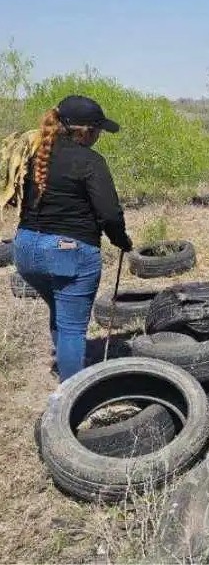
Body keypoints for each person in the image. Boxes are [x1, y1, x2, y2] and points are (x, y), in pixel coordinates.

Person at [4, 95, 132, 383]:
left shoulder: (34, 153)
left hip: (25, 249)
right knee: (73, 327)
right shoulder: (90, 161)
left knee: (60, 311)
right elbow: (109, 213)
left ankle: (68, 363)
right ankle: (72, 396)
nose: (99, 135)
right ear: (84, 131)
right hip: (67, 252)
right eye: (98, 130)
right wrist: (121, 240)